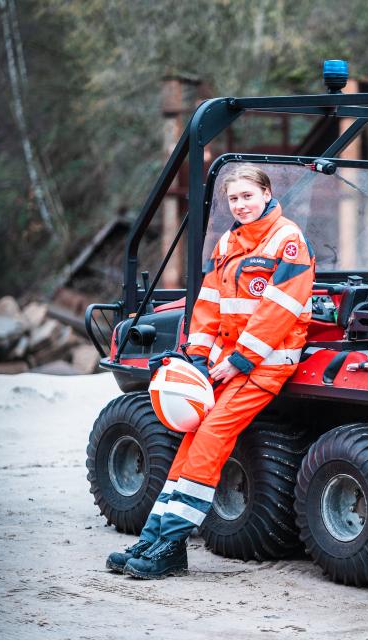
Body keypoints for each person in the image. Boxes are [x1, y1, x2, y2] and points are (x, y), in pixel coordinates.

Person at [106, 164, 315, 578]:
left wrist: (239, 360)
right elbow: (208, 307)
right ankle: (155, 539)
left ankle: (171, 544)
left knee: (211, 439)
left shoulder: (287, 240)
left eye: (247, 196)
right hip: (225, 366)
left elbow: (280, 310)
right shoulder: (227, 243)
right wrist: (199, 358)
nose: (240, 205)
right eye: (233, 199)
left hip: (264, 366)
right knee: (188, 444)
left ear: (266, 193)